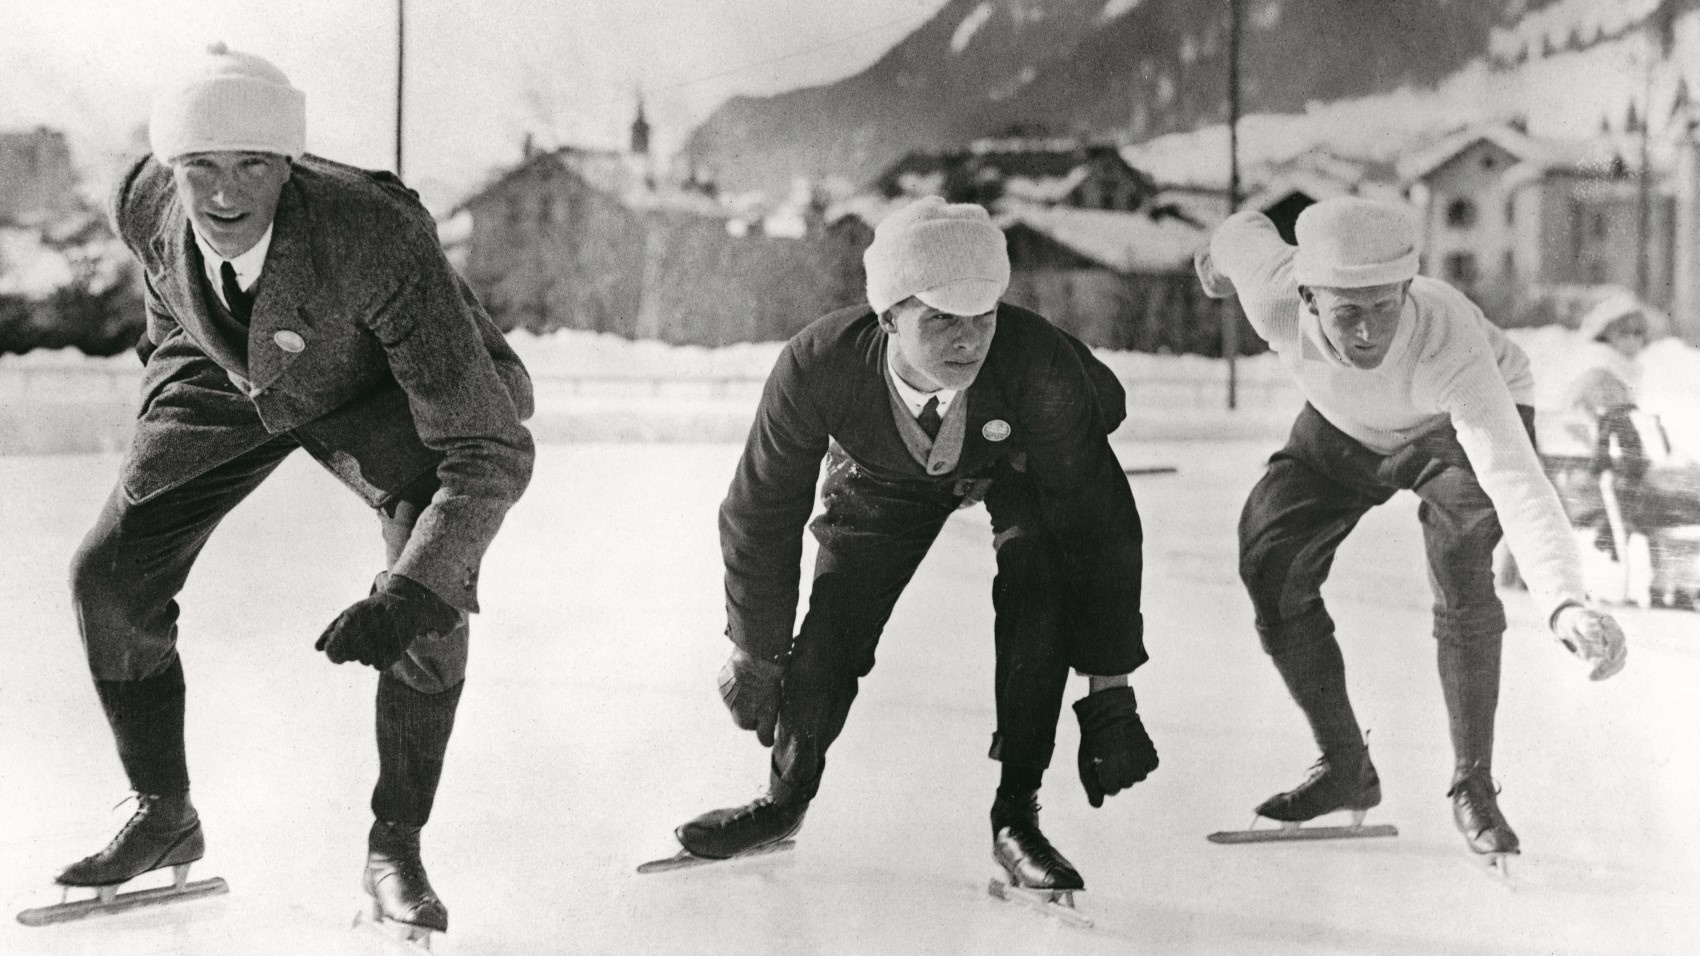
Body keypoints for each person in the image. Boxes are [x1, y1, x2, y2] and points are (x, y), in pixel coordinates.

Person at [52, 43, 534, 939]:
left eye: (255, 166)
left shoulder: (377, 236)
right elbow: (167, 302)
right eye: (202, 167)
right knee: (108, 574)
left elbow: (487, 445)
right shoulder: (143, 196)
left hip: (385, 390)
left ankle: (396, 846)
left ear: (288, 165)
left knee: (429, 600)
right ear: (170, 168)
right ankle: (163, 813)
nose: (226, 193)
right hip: (225, 372)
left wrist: (415, 589)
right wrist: (168, 425)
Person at [672, 197, 1158, 896]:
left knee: (1039, 586)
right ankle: (784, 801)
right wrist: (754, 645)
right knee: (833, 631)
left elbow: (1099, 521)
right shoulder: (817, 367)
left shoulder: (1038, 365)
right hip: (884, 473)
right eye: (940, 320)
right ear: (888, 316)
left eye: (982, 318)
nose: (967, 341)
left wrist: (1111, 686)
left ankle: (1016, 814)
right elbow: (760, 511)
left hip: (1017, 451)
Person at [1194, 197, 1627, 865]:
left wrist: (1567, 602)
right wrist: (1214, 263)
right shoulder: (1273, 294)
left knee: (1460, 561)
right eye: (1347, 314)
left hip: (1450, 427)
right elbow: (1239, 233)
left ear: (1406, 289)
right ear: (1307, 297)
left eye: (1384, 308)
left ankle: (1473, 784)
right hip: (1343, 425)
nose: (1368, 335)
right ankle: (1346, 767)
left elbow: (1517, 479)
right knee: (1269, 557)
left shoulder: (1447, 339)